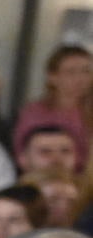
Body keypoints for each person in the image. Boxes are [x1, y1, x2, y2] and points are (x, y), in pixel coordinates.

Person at [14, 44, 92, 172]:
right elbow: (23, 153)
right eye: (71, 72)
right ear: (52, 77)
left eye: (86, 71)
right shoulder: (35, 113)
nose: (80, 79)